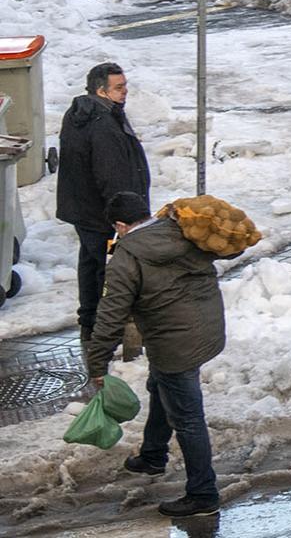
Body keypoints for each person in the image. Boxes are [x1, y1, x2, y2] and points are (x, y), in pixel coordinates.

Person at [84, 192, 224, 519]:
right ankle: (152, 455)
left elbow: (110, 314)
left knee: (187, 418)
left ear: (120, 225)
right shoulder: (180, 230)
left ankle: (204, 493)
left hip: (175, 342)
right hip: (207, 326)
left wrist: (97, 363)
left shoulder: (126, 256)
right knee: (161, 385)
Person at [56, 62, 150, 346]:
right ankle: (104, 332)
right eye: (119, 88)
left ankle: (90, 324)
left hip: (84, 208)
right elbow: (111, 175)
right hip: (103, 211)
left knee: (91, 264)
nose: (125, 92)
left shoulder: (81, 114)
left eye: (125, 86)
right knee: (107, 272)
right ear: (101, 91)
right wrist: (125, 217)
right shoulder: (103, 125)